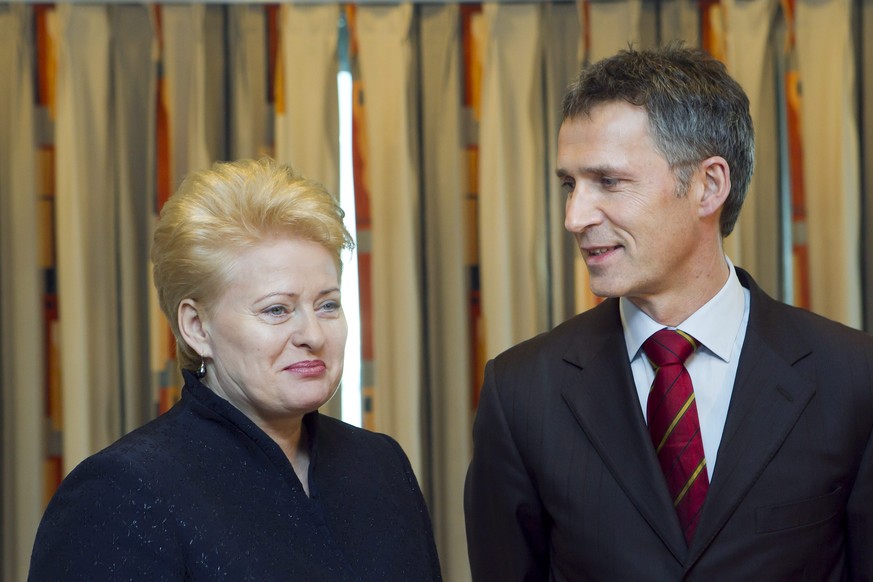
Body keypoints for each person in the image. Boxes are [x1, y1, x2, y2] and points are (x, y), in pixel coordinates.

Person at [464, 44, 873, 580]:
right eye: (570, 185)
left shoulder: (853, 377)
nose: (574, 216)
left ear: (708, 186)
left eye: (608, 181)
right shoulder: (520, 393)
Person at [29, 158, 442, 581]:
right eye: (277, 309)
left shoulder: (380, 463)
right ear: (197, 327)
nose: (313, 334)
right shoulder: (122, 492)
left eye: (328, 304)